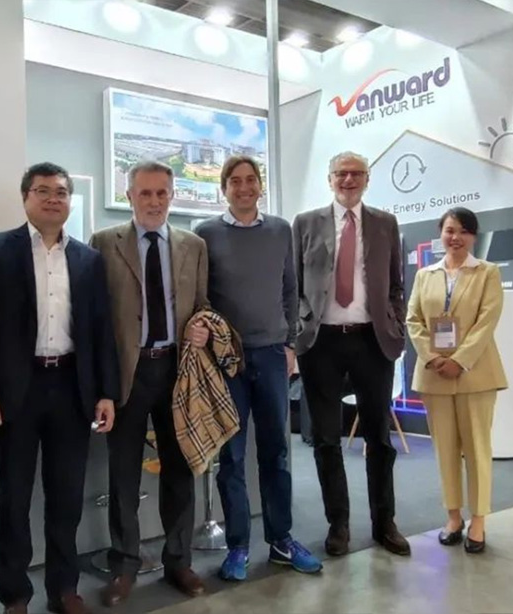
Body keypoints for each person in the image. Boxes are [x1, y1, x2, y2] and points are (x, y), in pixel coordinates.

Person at [0, 162, 119, 614]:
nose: (53, 199)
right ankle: (14, 594)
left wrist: (105, 392)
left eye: (61, 192)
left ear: (70, 200)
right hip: (16, 391)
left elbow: (100, 330)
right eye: (43, 191)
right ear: (25, 198)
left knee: (66, 497)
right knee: (14, 498)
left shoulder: (88, 259)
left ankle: (63, 589)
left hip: (71, 388)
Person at [89, 160, 210, 606]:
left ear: (172, 196)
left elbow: (202, 304)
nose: (154, 201)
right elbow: (96, 317)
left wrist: (203, 327)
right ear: (129, 196)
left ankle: (178, 561)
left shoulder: (194, 245)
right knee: (123, 472)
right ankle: (124, 565)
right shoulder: (104, 243)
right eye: (145, 193)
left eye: (162, 193)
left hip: (177, 370)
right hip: (128, 372)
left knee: (179, 469)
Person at [195, 155, 322, 578]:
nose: (244, 187)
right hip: (227, 359)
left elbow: (290, 289)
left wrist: (289, 344)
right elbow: (201, 296)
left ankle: (281, 540)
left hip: (271, 355)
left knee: (276, 453)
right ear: (224, 188)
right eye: (235, 180)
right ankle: (237, 547)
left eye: (251, 179)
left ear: (260, 185)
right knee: (231, 457)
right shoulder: (205, 233)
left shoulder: (280, 230)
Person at [292, 151, 411, 557]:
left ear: (367, 179)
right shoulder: (305, 223)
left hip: (371, 341)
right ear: (329, 179)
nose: (348, 179)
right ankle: (338, 525)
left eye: (356, 173)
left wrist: (395, 323)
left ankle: (385, 523)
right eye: (341, 173)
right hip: (320, 343)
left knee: (379, 437)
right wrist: (299, 325)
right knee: (326, 439)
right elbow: (294, 284)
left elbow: (396, 284)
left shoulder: (384, 223)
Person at [406, 207, 506, 554]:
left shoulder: (487, 272)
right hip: (434, 374)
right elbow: (413, 320)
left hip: (476, 373)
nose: (456, 237)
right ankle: (453, 517)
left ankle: (478, 520)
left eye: (464, 231)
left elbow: (487, 321)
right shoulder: (425, 275)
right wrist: (433, 358)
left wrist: (459, 360)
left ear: (473, 236)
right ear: (441, 233)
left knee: (477, 448)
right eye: (450, 230)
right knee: (445, 449)